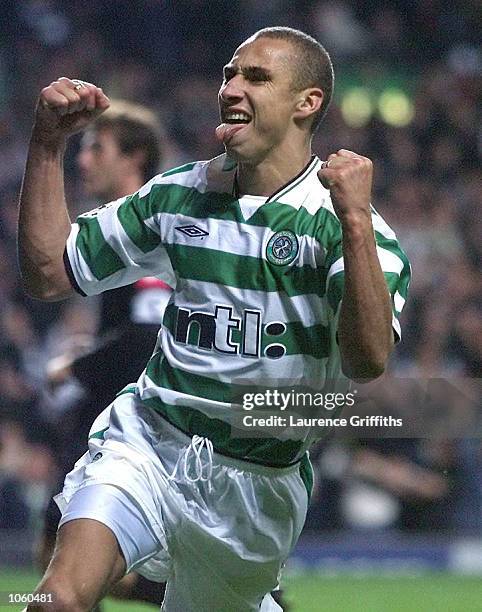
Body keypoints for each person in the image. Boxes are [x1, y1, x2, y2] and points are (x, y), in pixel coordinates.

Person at [18, 26, 410, 612]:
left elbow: (367, 359)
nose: (231, 88)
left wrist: (353, 219)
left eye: (256, 77)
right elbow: (50, 271)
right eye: (229, 74)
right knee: (56, 600)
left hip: (258, 484)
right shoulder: (179, 196)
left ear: (309, 103)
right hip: (152, 441)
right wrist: (46, 144)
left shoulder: (351, 229)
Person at [38, 100, 171, 609]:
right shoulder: (119, 226)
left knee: (58, 559)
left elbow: (146, 334)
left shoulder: (153, 228)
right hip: (111, 406)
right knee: (55, 557)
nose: (84, 160)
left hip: (133, 417)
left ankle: (184, 595)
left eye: (97, 147)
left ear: (133, 158)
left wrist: (75, 366)